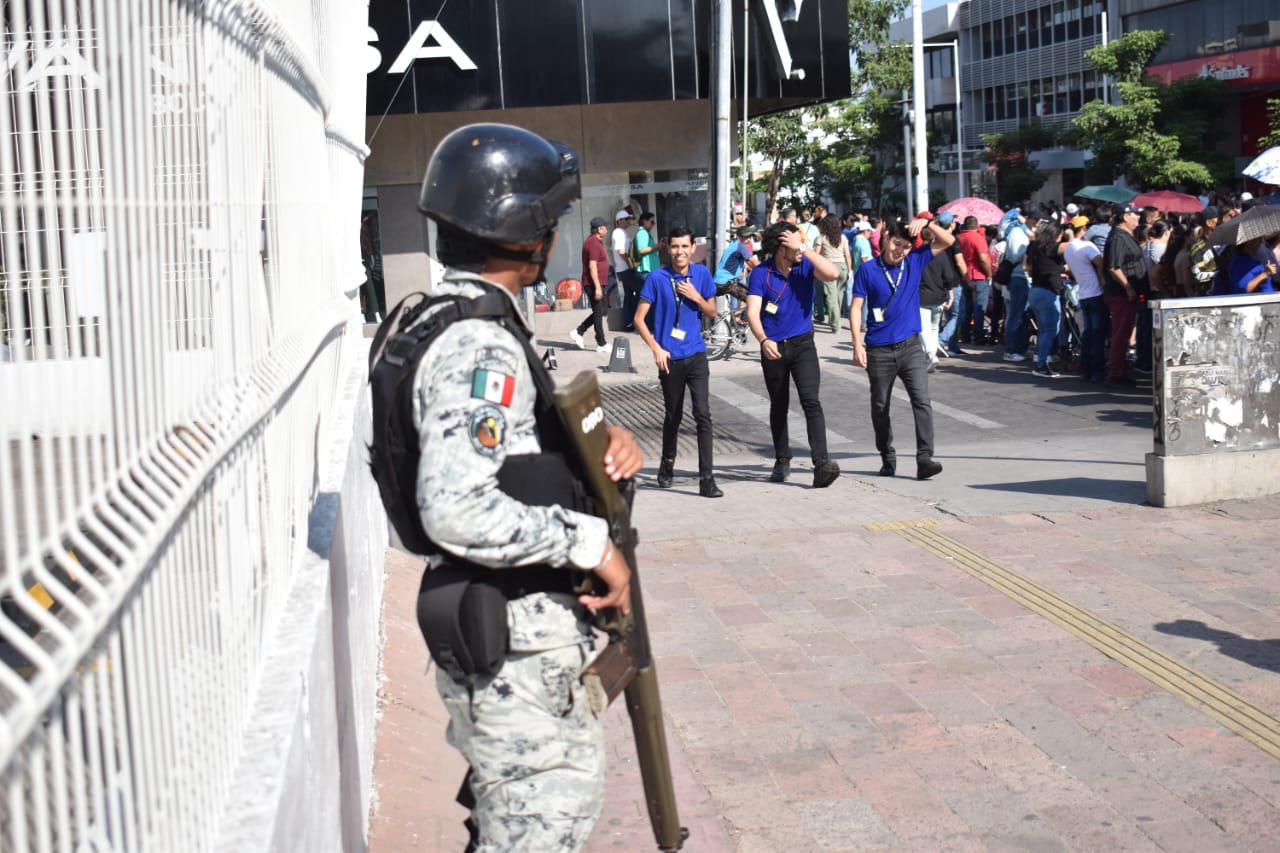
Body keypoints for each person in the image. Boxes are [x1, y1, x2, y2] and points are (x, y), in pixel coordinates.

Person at [410, 123, 641, 850]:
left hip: (514, 632)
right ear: (522, 233)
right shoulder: (477, 342)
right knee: (539, 829)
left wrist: (598, 453)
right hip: (513, 642)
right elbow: (452, 503)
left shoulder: (450, 318)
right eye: (547, 219)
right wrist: (592, 541)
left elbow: (509, 458)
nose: (553, 232)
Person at [850, 216, 954, 481]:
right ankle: (887, 457)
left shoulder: (916, 260)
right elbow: (856, 307)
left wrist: (927, 225)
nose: (900, 251)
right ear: (885, 239)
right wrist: (856, 344)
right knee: (880, 405)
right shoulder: (868, 270)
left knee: (922, 400)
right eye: (897, 244)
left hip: (910, 347)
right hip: (878, 350)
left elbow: (949, 240)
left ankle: (925, 459)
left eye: (906, 246)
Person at [745, 221, 842, 487]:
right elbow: (752, 312)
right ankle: (782, 458)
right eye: (794, 243)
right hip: (773, 346)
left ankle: (821, 463)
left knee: (811, 401)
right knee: (779, 404)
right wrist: (763, 339)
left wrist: (806, 249)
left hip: (803, 345)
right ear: (780, 246)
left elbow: (833, 273)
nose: (799, 247)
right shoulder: (761, 274)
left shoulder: (805, 264)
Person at [633, 227, 723, 498]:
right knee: (673, 415)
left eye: (685, 246)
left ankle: (707, 478)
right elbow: (639, 319)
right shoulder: (656, 278)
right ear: (668, 249)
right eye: (674, 247)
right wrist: (656, 349)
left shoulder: (701, 274)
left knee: (703, 413)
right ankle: (667, 463)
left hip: (696, 354)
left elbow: (712, 311)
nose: (680, 252)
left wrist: (696, 296)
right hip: (669, 357)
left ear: (693, 247)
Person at [1102, 205, 1146, 386]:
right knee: (1121, 332)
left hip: (1129, 293)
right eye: (1135, 214)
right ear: (1126, 217)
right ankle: (1116, 373)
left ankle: (1120, 368)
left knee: (1124, 331)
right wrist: (1128, 287)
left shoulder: (1125, 235)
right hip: (1121, 294)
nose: (1138, 217)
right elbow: (1114, 266)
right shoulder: (1118, 237)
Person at [918, 214, 964, 372]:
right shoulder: (942, 255)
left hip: (922, 297)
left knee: (924, 329)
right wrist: (950, 293)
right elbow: (949, 277)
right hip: (938, 297)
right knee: (933, 328)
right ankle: (932, 354)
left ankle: (930, 355)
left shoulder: (917, 255)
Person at [1064, 216, 1107, 383]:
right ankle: (1097, 371)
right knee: (1098, 334)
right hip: (1096, 293)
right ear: (1083, 228)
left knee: (1088, 334)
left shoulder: (1069, 249)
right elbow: (1101, 263)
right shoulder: (1087, 246)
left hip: (1083, 293)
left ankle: (1086, 369)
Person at [1025, 221, 1070, 378]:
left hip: (1035, 290)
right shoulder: (1053, 247)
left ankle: (1040, 358)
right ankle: (1041, 364)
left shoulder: (1034, 246)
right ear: (1056, 234)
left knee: (1044, 329)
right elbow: (1070, 245)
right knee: (1050, 330)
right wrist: (1070, 235)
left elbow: (1029, 268)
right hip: (1047, 292)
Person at [572, 218, 612, 352]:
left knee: (601, 311)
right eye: (605, 227)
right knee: (599, 312)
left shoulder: (595, 242)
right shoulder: (593, 243)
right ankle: (601, 343)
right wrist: (597, 287)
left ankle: (579, 331)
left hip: (598, 282)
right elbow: (592, 266)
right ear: (599, 229)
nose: (606, 229)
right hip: (593, 283)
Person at [999, 211, 1032, 362]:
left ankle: (1020, 348)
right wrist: (1029, 254)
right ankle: (1011, 350)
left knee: (1020, 315)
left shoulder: (1015, 231)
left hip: (1018, 277)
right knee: (1016, 315)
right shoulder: (1017, 232)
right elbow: (1016, 255)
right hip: (1018, 277)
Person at [956, 215, 992, 348]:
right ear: (977, 226)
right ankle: (978, 338)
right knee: (979, 308)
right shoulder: (978, 238)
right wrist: (989, 274)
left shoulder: (958, 238)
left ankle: (965, 336)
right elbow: (983, 259)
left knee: (965, 308)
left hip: (962, 276)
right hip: (978, 276)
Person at [815, 214, 853, 334]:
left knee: (831, 297)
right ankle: (833, 319)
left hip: (829, 268)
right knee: (838, 296)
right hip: (842, 268)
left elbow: (816, 254)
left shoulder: (821, 237)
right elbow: (847, 255)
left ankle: (836, 326)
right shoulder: (843, 237)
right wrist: (850, 270)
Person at [624, 211, 661, 331]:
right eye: (651, 221)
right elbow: (642, 250)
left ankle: (648, 325)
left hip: (648, 271)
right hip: (645, 271)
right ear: (644, 221)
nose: (653, 224)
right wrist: (657, 247)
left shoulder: (646, 233)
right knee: (648, 300)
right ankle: (648, 325)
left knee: (648, 299)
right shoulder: (642, 233)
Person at [609, 209, 633, 306]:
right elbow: (621, 251)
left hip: (625, 268)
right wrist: (629, 263)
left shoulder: (622, 232)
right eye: (626, 219)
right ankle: (631, 318)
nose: (629, 221)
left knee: (629, 295)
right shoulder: (618, 232)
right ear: (619, 221)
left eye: (628, 219)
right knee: (639, 290)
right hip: (624, 269)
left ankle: (628, 319)